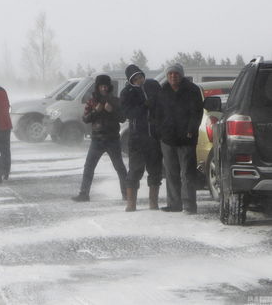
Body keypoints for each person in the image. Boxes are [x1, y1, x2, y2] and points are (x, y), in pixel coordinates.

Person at [155, 63, 203, 214]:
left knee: (187, 173)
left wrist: (191, 129)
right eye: (170, 74)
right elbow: (156, 114)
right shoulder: (162, 91)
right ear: (167, 76)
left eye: (176, 73)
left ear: (181, 75)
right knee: (171, 172)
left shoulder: (192, 90)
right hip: (168, 138)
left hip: (186, 138)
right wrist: (160, 131)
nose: (173, 76)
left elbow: (197, 112)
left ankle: (189, 205)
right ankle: (174, 204)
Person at [72, 75, 127, 202]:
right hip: (97, 140)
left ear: (109, 87)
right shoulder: (91, 101)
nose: (103, 88)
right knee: (89, 167)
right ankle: (84, 194)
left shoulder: (115, 100)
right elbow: (85, 119)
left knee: (119, 167)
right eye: (101, 86)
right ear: (97, 87)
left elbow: (123, 118)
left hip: (112, 139)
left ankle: (126, 194)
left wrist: (111, 110)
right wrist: (96, 111)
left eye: (105, 86)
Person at [120, 64, 163, 212]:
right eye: (135, 78)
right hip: (137, 138)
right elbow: (128, 113)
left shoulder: (153, 85)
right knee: (135, 170)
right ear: (130, 80)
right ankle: (131, 203)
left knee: (155, 170)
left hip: (154, 137)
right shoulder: (127, 92)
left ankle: (153, 202)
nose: (139, 80)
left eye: (140, 77)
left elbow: (162, 104)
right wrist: (144, 105)